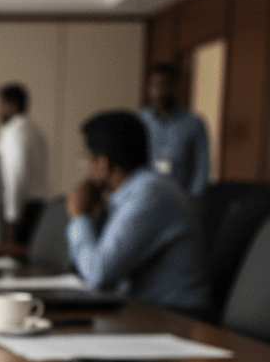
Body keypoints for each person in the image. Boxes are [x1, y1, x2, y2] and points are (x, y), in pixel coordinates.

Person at [65, 111, 209, 314]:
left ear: (104, 162)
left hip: (177, 317)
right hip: (148, 311)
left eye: (86, 158)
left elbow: (98, 275)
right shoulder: (134, 192)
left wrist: (79, 216)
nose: (86, 167)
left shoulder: (149, 194)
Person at [138, 63, 210, 200]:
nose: (162, 91)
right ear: (149, 89)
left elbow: (202, 167)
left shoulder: (194, 123)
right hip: (145, 198)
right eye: (157, 85)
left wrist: (193, 199)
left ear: (177, 87)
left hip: (180, 199)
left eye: (168, 85)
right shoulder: (139, 121)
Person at [0, 83, 49, 244]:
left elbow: (14, 176)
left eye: (1, 105)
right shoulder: (35, 131)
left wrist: (11, 219)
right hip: (38, 208)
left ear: (12, 105)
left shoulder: (14, 132)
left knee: (16, 261)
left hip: (19, 211)